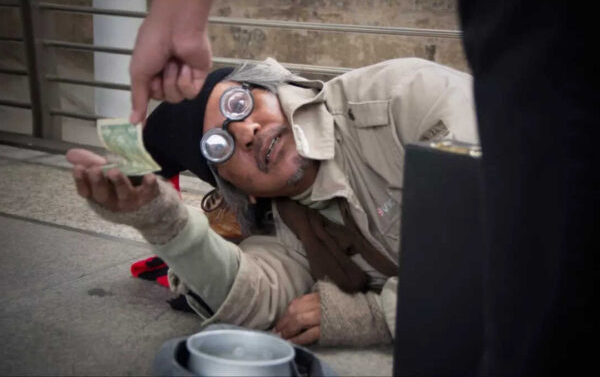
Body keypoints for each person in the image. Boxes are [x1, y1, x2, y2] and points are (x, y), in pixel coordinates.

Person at [69, 57, 479, 346]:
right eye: (219, 146)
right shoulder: (287, 226)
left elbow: (505, 242)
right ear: (238, 190)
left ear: (276, 90)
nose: (245, 132)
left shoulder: (403, 98)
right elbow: (251, 298)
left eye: (238, 104)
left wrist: (378, 316)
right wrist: (161, 220)